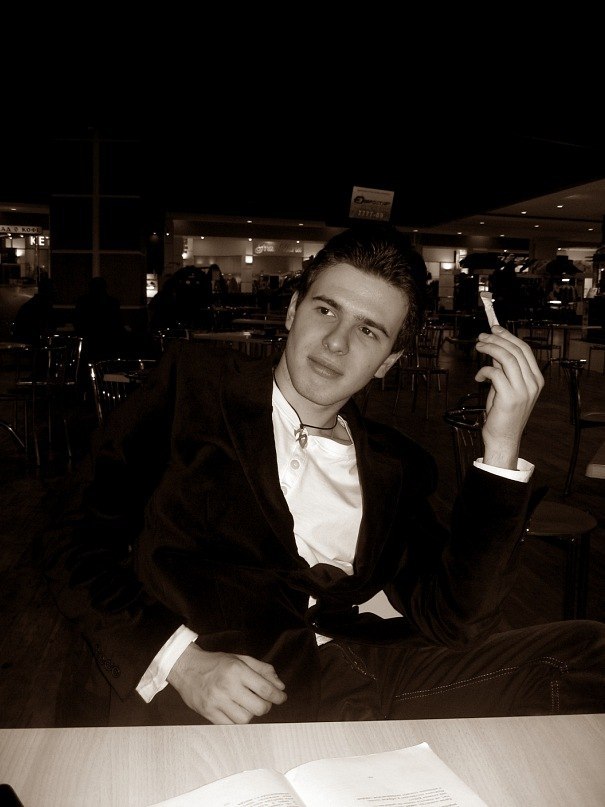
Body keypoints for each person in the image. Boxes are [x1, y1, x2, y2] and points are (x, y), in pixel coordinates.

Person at [39, 222, 605, 727]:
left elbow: (455, 618)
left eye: (369, 331)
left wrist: (501, 447)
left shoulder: (397, 465)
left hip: (364, 670)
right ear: (293, 311)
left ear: (388, 362)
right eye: (326, 310)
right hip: (231, 695)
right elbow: (73, 539)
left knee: (586, 650)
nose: (336, 342)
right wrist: (180, 661)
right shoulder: (194, 388)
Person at [73, 276, 125, 362]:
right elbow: (117, 322)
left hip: (89, 339)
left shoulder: (83, 301)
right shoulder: (112, 302)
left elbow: (77, 320)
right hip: (108, 339)